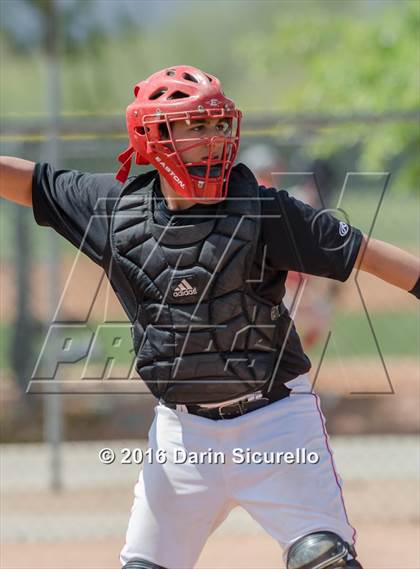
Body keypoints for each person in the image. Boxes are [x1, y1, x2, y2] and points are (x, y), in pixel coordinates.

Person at [1, 65, 419, 569]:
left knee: (322, 559)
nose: (216, 138)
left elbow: (364, 254)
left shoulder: (264, 211)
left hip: (276, 425)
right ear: (153, 136)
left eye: (220, 125)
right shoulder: (113, 211)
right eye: (197, 126)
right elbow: (35, 184)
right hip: (182, 439)